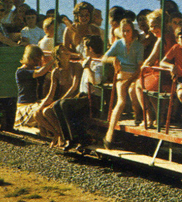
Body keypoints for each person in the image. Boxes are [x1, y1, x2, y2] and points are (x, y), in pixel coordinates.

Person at [53, 35, 105, 149]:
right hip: (83, 96)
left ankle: (82, 138)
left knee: (65, 105)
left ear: (90, 49)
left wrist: (86, 68)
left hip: (93, 98)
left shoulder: (99, 63)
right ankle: (69, 138)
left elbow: (95, 81)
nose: (84, 50)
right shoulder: (88, 60)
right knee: (57, 104)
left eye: (85, 47)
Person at [102, 18, 146, 149]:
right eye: (123, 31)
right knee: (121, 101)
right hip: (122, 75)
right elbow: (104, 57)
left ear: (132, 31)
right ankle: (109, 134)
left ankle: (138, 116)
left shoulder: (138, 46)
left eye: (128, 31)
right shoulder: (118, 44)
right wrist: (114, 59)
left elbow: (139, 67)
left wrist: (132, 78)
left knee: (133, 91)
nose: (126, 34)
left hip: (134, 75)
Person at [35, 44, 81, 147]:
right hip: (62, 100)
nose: (66, 52)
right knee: (38, 113)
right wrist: (42, 104)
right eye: (63, 51)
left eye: (67, 50)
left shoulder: (76, 66)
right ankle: (58, 134)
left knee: (48, 111)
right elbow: (51, 93)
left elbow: (74, 87)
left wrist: (59, 101)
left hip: (74, 98)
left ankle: (62, 135)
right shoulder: (56, 72)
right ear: (58, 56)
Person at [15, 45, 53, 129]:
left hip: (36, 103)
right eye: (36, 60)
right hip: (25, 105)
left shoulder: (36, 69)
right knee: (39, 110)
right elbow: (40, 73)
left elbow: (49, 75)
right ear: (29, 58)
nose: (37, 62)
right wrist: (53, 61)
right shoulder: (21, 72)